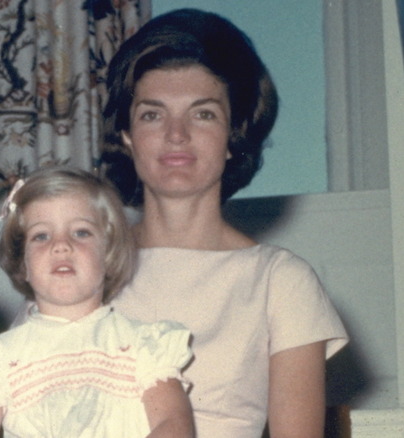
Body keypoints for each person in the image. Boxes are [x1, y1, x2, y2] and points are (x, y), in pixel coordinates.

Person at [101, 8, 348, 437]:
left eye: (203, 114)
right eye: (152, 114)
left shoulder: (280, 281)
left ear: (234, 135)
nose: (176, 134)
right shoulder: (85, 265)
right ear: (126, 135)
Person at [0, 167, 194, 438]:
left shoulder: (143, 346)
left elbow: (173, 426)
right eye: (41, 236)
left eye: (80, 232)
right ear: (23, 264)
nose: (61, 245)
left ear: (108, 254)